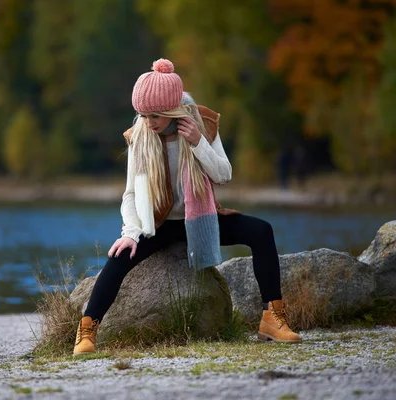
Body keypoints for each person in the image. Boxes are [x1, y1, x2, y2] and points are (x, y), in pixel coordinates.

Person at [73, 59, 301, 356]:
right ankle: (87, 330)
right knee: (119, 255)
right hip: (160, 223)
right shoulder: (140, 135)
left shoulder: (202, 124)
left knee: (262, 231)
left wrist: (197, 143)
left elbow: (223, 174)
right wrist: (130, 232)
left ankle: (272, 319)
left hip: (201, 218)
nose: (148, 121)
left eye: (155, 115)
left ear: (172, 111)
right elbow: (130, 195)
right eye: (143, 114)